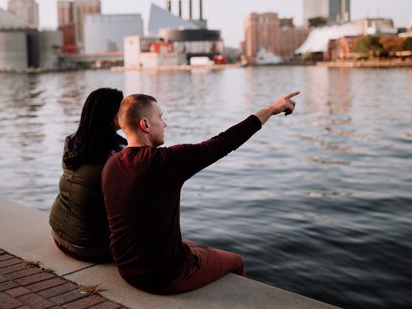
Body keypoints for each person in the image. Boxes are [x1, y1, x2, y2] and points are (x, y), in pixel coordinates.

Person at [102, 91, 298, 295]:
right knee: (236, 261)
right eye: (160, 117)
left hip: (126, 267)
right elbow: (224, 142)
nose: (165, 123)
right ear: (145, 124)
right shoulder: (164, 162)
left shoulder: (112, 163)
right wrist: (270, 109)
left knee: (191, 245)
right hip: (162, 276)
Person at [49, 87, 125, 263]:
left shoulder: (72, 142)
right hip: (89, 247)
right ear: (112, 115)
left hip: (59, 234)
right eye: (122, 109)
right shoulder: (116, 154)